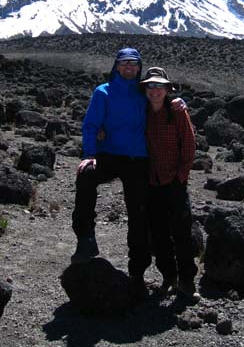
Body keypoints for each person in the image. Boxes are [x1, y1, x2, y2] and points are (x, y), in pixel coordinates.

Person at [71, 47, 152, 296]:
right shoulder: (103, 92)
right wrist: (89, 155)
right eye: (124, 63)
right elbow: (91, 125)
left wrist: (178, 102)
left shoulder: (144, 93)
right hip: (109, 155)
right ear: (116, 66)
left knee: (139, 214)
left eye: (134, 64)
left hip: (138, 159)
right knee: (85, 177)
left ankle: (137, 272)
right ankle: (86, 240)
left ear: (139, 68)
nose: (129, 67)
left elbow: (164, 103)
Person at [140, 66, 200, 302]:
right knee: (159, 234)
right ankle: (169, 277)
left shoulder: (176, 110)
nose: (155, 90)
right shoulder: (141, 111)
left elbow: (189, 143)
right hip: (151, 181)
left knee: (182, 233)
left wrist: (181, 175)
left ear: (167, 89)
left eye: (159, 86)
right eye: (150, 86)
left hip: (174, 181)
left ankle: (187, 281)